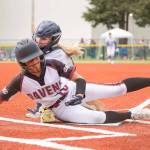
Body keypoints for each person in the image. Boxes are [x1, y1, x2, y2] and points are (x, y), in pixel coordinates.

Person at [1, 39, 150, 124]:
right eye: (28, 62)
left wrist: (79, 94)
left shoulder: (53, 64)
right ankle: (132, 114)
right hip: (61, 108)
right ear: (22, 64)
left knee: (117, 89)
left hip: (72, 90)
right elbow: (2, 97)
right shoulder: (19, 81)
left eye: (34, 59)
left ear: (39, 56)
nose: (33, 64)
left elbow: (79, 79)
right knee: (97, 118)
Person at [27, 20, 102, 118]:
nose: (39, 41)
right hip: (64, 91)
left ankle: (48, 109)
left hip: (69, 94)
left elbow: (50, 83)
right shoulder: (52, 52)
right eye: (38, 37)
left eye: (44, 38)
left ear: (53, 39)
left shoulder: (57, 56)